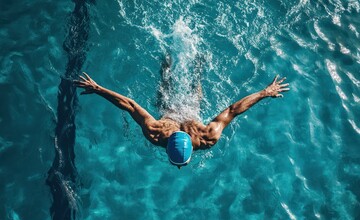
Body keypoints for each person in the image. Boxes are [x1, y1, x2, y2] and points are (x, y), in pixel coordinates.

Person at [74, 72, 289, 168]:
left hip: (181, 110)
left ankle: (177, 63)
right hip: (176, 110)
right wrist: (98, 89)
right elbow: (233, 110)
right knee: (175, 90)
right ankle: (194, 67)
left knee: (181, 91)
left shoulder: (160, 131)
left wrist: (264, 92)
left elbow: (130, 105)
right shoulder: (157, 132)